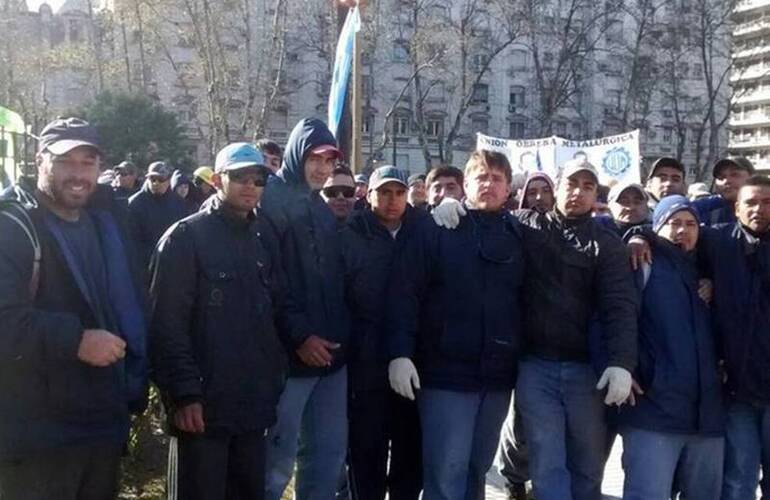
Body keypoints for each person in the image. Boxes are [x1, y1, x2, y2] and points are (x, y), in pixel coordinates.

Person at [432, 158, 638, 500]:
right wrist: (455, 205)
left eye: (588, 187)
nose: (578, 193)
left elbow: (619, 304)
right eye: (572, 184)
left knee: (587, 463)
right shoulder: (527, 226)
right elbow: (487, 214)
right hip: (535, 367)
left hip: (587, 370)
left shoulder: (607, 240)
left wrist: (621, 362)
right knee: (546, 462)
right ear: (557, 187)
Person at [0, 117, 148, 500]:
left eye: (88, 161)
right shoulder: (13, 225)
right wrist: (76, 340)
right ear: (40, 160)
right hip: (37, 437)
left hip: (101, 423)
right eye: (66, 161)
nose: (78, 173)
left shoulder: (107, 222)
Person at [150, 143, 293, 500]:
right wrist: (183, 395)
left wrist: (272, 381)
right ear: (217, 180)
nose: (250, 186)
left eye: (258, 179)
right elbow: (166, 324)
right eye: (239, 177)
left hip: (252, 405)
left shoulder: (263, 238)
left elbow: (273, 313)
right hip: (202, 409)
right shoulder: (185, 238)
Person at [388, 150, 525, 500]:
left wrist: (638, 237)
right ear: (466, 184)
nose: (489, 184)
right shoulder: (438, 228)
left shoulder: (520, 235)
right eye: (481, 177)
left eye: (497, 178)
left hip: (496, 377)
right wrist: (400, 353)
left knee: (476, 470)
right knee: (445, 473)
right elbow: (406, 292)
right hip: (446, 374)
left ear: (509, 188)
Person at [260, 118, 352, 500]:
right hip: (287, 360)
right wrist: (298, 336)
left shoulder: (320, 208)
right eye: (315, 158)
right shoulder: (270, 200)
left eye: (329, 161)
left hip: (331, 359)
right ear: (298, 154)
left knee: (326, 460)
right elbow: (270, 281)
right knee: (274, 463)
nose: (322, 168)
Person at [619, 195, 724, 500]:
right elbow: (613, 318)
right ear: (657, 226)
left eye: (690, 223)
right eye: (673, 223)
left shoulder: (709, 271)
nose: (683, 230)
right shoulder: (641, 262)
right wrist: (622, 366)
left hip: (708, 418)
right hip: (654, 410)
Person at [343, 165, 428, 500]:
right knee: (367, 449)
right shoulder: (352, 232)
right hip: (366, 359)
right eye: (384, 192)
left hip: (413, 358)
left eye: (399, 193)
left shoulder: (422, 229)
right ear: (370, 195)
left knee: (410, 447)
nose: (392, 201)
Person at [696, 177, 770, 500]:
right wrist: (639, 239)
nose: (759, 209)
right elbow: (669, 229)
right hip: (738, 388)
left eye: (767, 202)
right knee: (739, 478)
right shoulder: (716, 241)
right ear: (736, 207)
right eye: (751, 202)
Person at [128, 161, 189, 270]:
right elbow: (130, 240)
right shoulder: (135, 203)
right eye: (152, 179)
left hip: (173, 264)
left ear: (169, 180)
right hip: (144, 265)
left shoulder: (179, 203)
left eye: (161, 179)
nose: (156, 183)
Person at [693, 156, 754, 226]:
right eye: (721, 177)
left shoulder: (766, 206)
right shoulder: (705, 207)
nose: (726, 181)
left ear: (752, 177)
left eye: (734, 174)